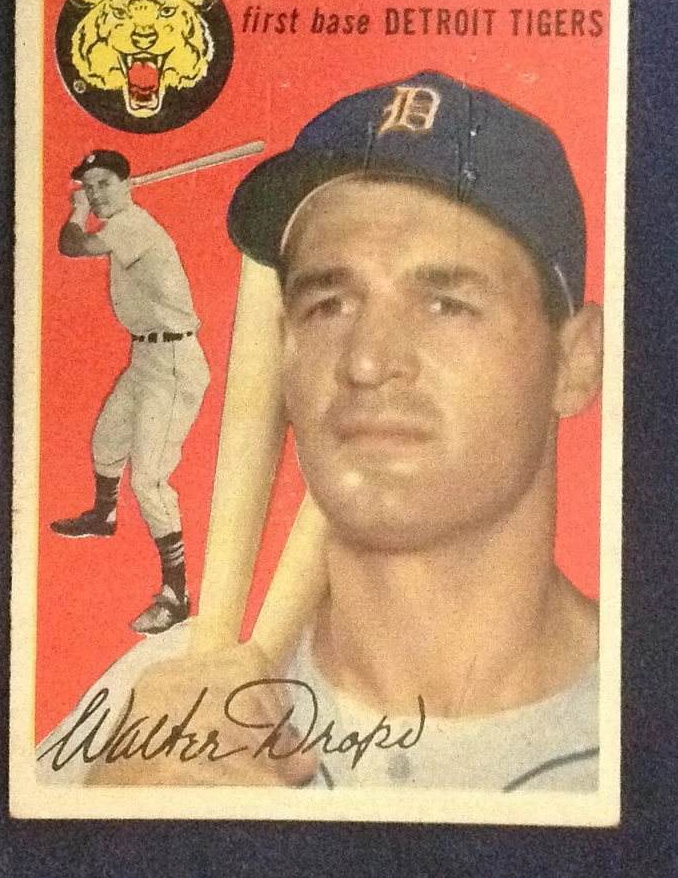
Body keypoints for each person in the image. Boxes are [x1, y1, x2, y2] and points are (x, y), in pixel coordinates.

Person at [37, 72, 603, 791]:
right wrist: (112, 823)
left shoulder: (642, 728)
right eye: (328, 304)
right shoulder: (153, 701)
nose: (366, 361)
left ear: (576, 361)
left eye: (447, 303)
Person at [50, 150, 210, 634]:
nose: (95, 193)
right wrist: (87, 208)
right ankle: (104, 516)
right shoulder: (123, 223)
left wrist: (78, 212)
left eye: (104, 183)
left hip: (174, 362)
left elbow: (73, 246)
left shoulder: (133, 224)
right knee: (106, 442)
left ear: (127, 184)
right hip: (146, 356)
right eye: (89, 186)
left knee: (149, 481)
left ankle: (176, 595)